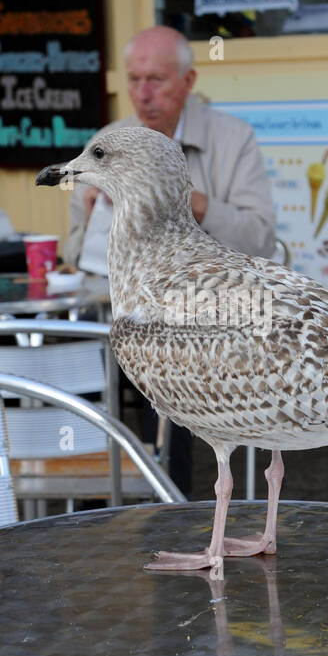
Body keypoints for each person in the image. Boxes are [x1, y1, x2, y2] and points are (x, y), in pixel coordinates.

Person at [64, 26, 278, 496]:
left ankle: (172, 500)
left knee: (167, 352)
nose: (143, 94)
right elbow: (73, 252)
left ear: (189, 80)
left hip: (205, 313)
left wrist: (186, 201)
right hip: (113, 310)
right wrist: (86, 210)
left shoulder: (232, 139)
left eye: (157, 80)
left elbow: (261, 237)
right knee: (75, 364)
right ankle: (93, 497)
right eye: (134, 80)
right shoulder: (107, 142)